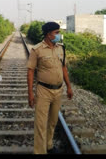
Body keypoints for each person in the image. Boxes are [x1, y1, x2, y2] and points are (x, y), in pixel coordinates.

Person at [26, 22, 73, 154]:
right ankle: (40, 151)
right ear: (48, 34)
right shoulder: (37, 49)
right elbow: (30, 71)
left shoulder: (61, 48)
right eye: (56, 33)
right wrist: (30, 93)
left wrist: (69, 86)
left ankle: (49, 145)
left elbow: (64, 68)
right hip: (43, 91)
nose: (59, 35)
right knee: (40, 124)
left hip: (58, 91)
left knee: (52, 121)